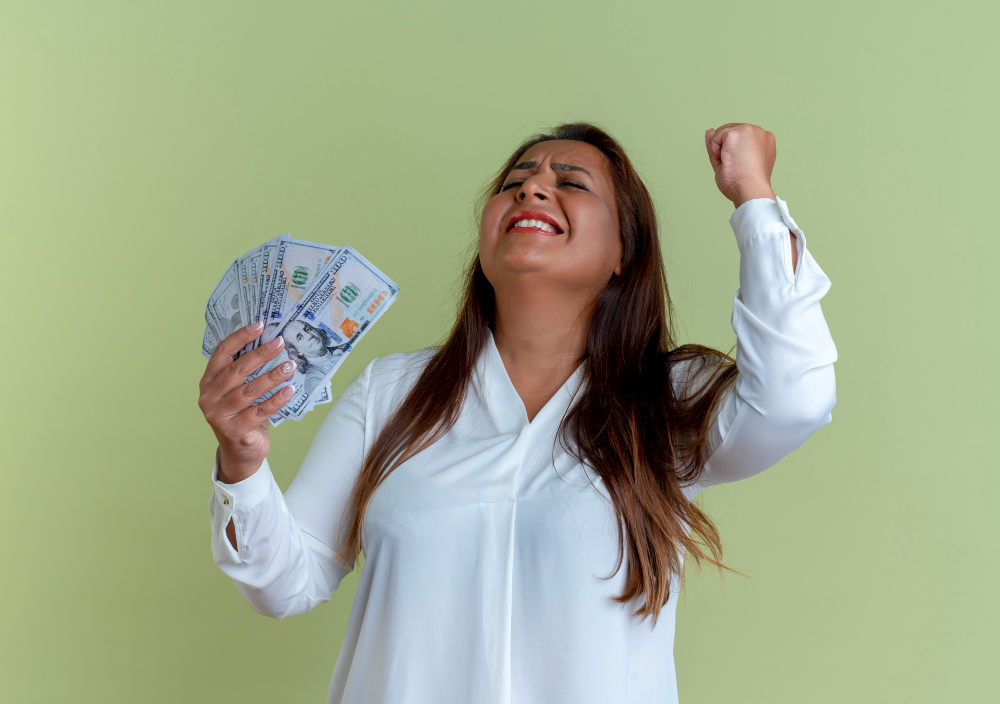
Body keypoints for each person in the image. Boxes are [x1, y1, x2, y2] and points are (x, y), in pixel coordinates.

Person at [197, 122, 837, 703]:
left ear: (623, 252)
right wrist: (242, 460)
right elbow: (286, 580)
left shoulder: (664, 400)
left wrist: (753, 195)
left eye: (570, 182)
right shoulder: (392, 392)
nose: (533, 190)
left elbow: (794, 395)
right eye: (515, 182)